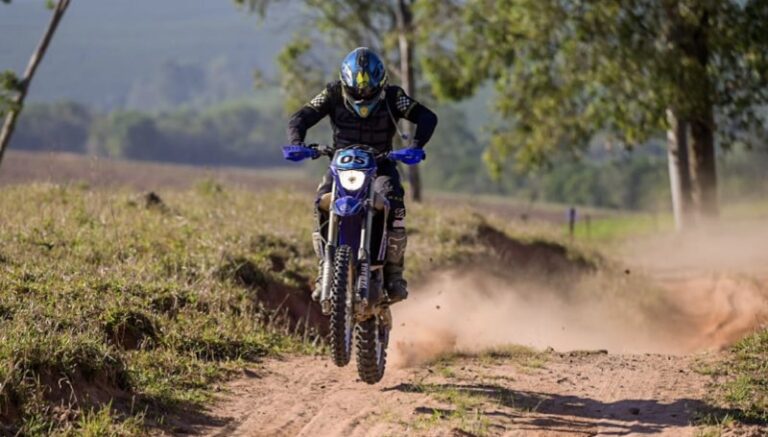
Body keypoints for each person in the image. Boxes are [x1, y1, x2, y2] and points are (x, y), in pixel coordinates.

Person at [287, 47, 437, 304]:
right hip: (340, 166)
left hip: (381, 165)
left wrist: (415, 146)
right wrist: (297, 143)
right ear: (345, 83)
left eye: (369, 90)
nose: (363, 95)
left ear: (381, 83)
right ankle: (324, 269)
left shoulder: (393, 97)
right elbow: (300, 117)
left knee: (394, 203)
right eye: (356, 90)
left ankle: (394, 275)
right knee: (321, 201)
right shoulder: (332, 93)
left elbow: (426, 117)